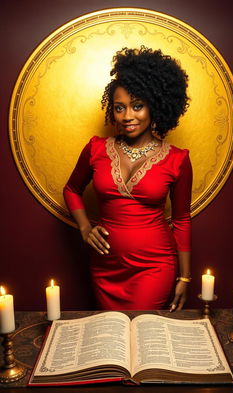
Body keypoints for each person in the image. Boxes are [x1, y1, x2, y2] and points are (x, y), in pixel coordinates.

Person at [63, 46, 192, 311]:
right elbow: (71, 189)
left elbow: (181, 221)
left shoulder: (177, 159)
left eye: (137, 106)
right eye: (119, 108)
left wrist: (185, 276)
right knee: (113, 338)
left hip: (154, 267)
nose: (127, 116)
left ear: (155, 106)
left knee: (142, 333)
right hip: (105, 266)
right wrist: (85, 228)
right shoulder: (96, 148)